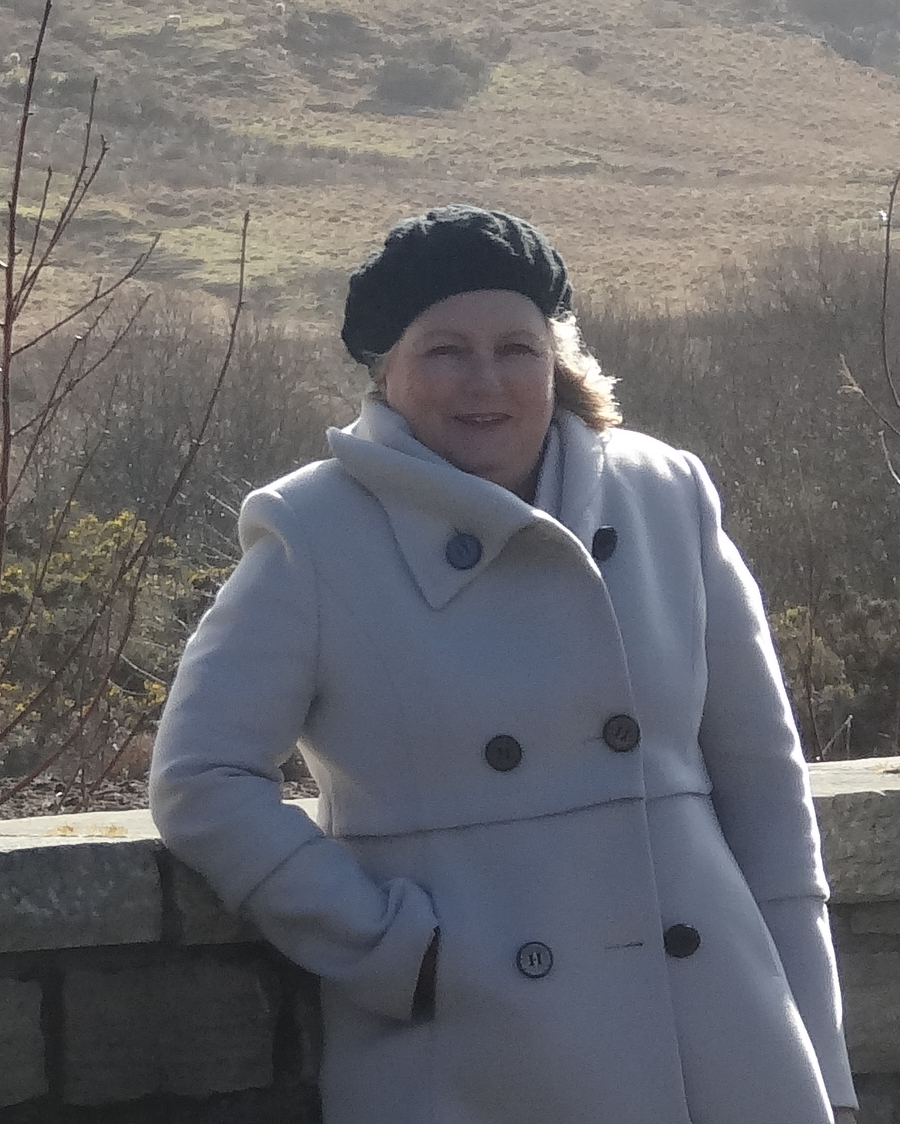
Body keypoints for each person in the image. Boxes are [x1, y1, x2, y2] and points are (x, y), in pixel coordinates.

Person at [148, 205, 851, 1122]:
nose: (485, 382)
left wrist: (819, 1063)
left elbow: (766, 788)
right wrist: (397, 951)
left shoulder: (666, 495)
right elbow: (201, 776)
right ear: (386, 371)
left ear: (554, 359)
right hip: (477, 1059)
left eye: (516, 348)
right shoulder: (314, 532)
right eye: (446, 350)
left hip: (721, 1047)